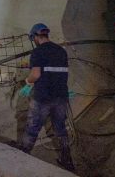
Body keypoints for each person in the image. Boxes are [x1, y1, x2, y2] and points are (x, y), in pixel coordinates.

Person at [18, 23, 74, 172]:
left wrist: (27, 82)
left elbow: (35, 74)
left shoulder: (37, 52)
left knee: (32, 128)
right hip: (61, 96)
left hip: (43, 97)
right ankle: (67, 160)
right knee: (60, 129)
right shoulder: (61, 50)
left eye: (33, 38)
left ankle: (21, 158)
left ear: (36, 37)